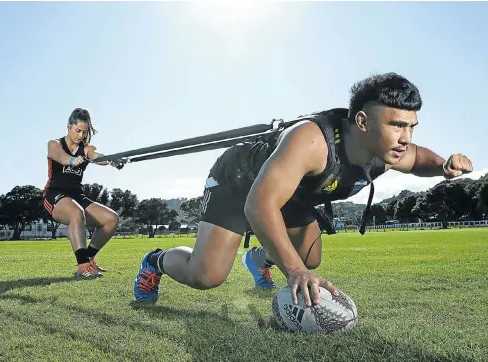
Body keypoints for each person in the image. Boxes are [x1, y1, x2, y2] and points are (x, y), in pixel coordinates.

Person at [133, 73, 473, 307]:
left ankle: (257, 259)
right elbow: (260, 205)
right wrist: (293, 271)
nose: (405, 138)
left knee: (311, 258)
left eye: (411, 127)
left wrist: (443, 166)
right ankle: (155, 261)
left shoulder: (390, 150)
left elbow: (418, 159)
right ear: (362, 122)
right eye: (397, 125)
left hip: (295, 193)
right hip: (239, 182)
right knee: (207, 275)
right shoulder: (310, 141)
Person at [43, 108, 124, 279]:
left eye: (84, 132)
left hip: (77, 196)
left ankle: (89, 258)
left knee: (111, 219)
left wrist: (111, 159)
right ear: (68, 127)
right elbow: (61, 157)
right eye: (77, 130)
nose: (80, 135)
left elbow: (96, 156)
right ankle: (83, 266)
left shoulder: (86, 149)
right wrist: (72, 160)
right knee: (76, 212)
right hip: (55, 195)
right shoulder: (54, 144)